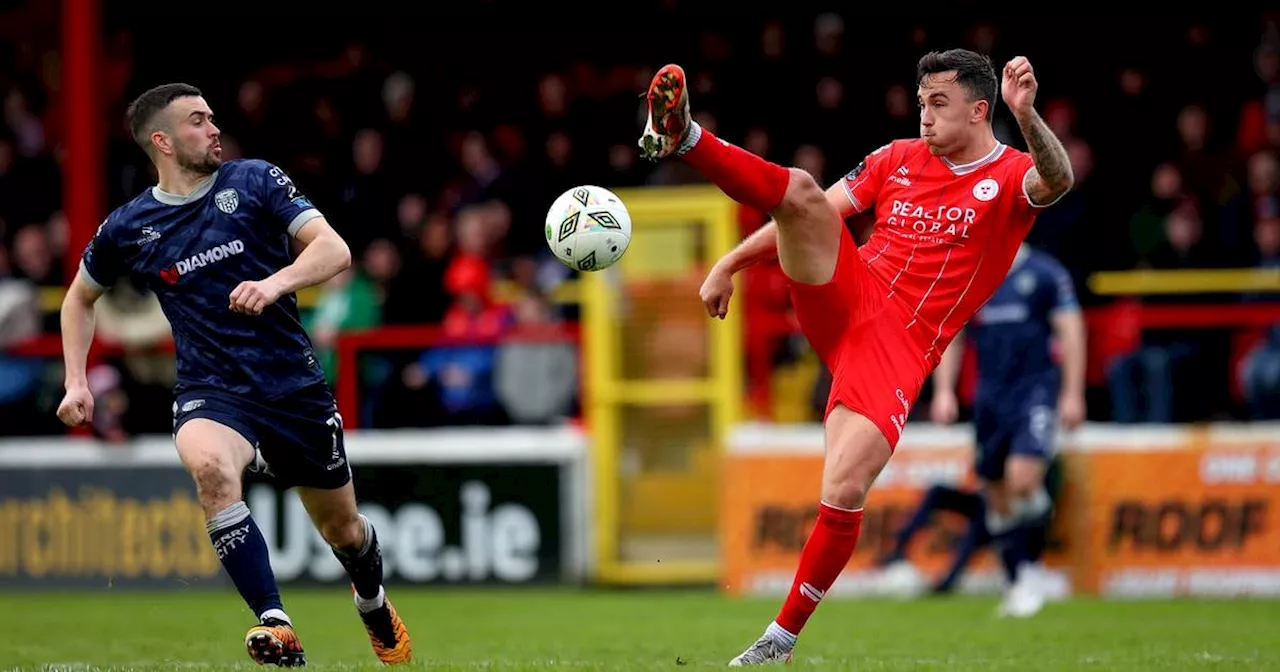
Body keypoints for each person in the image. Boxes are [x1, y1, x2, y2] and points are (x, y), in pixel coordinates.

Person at [639, 49, 1074, 665]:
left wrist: (1027, 115)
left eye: (939, 104)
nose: (924, 117)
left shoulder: (1009, 175)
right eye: (921, 103)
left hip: (900, 344)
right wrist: (730, 261)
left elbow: (1057, 181)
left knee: (844, 487)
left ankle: (779, 640)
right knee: (800, 188)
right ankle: (684, 137)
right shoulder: (895, 158)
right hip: (848, 292)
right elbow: (809, 214)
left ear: (982, 110)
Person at [56, 83, 412, 667]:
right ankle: (277, 624)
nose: (213, 128)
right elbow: (77, 300)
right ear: (163, 142)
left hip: (291, 386)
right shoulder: (130, 226)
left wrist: (276, 283)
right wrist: (76, 380)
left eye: (213, 118)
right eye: (199, 121)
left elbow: (334, 250)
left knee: (344, 531)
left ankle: (371, 599)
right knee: (211, 472)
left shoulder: (254, 181)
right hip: (210, 389)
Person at [929, 242, 1085, 617]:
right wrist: (944, 391)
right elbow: (952, 333)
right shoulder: (973, 272)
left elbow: (1071, 330)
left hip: (1034, 392)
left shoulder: (1046, 272)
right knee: (995, 494)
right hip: (989, 399)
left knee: (1023, 480)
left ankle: (1033, 567)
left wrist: (1072, 393)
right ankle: (1019, 581)